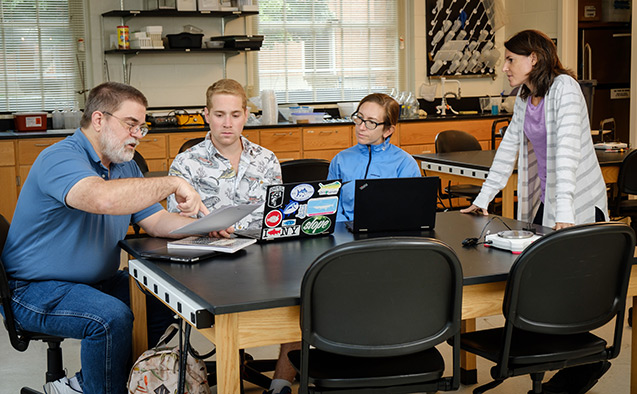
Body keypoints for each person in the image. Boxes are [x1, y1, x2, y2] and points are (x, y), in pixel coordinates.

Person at [0, 82, 232, 394]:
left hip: (96, 282)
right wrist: (173, 183)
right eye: (131, 124)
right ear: (99, 120)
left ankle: (94, 384)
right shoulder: (59, 159)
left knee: (165, 299)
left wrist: (206, 225)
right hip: (33, 289)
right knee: (110, 318)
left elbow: (156, 220)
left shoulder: (126, 166)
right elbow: (102, 199)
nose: (138, 134)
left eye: (142, 126)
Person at [461, 30, 609, 394]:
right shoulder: (528, 96)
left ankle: (583, 362)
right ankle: (560, 361)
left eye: (511, 59)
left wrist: (563, 216)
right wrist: (483, 199)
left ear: (535, 59)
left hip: (577, 203)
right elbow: (507, 150)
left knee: (568, 288)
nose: (505, 66)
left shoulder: (565, 89)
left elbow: (568, 156)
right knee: (544, 285)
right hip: (551, 200)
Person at [167, 78, 282, 230]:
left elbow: (277, 214)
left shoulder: (267, 160)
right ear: (207, 115)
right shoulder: (185, 163)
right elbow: (177, 223)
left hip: (261, 249)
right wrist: (207, 231)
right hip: (209, 250)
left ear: (246, 115)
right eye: (219, 115)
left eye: (235, 115)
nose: (227, 123)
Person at [328, 93, 422, 222]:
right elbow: (331, 205)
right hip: (345, 234)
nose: (361, 127)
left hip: (390, 235)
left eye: (371, 123)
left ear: (388, 130)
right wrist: (342, 229)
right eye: (359, 118)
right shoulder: (340, 160)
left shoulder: (405, 164)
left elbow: (412, 211)